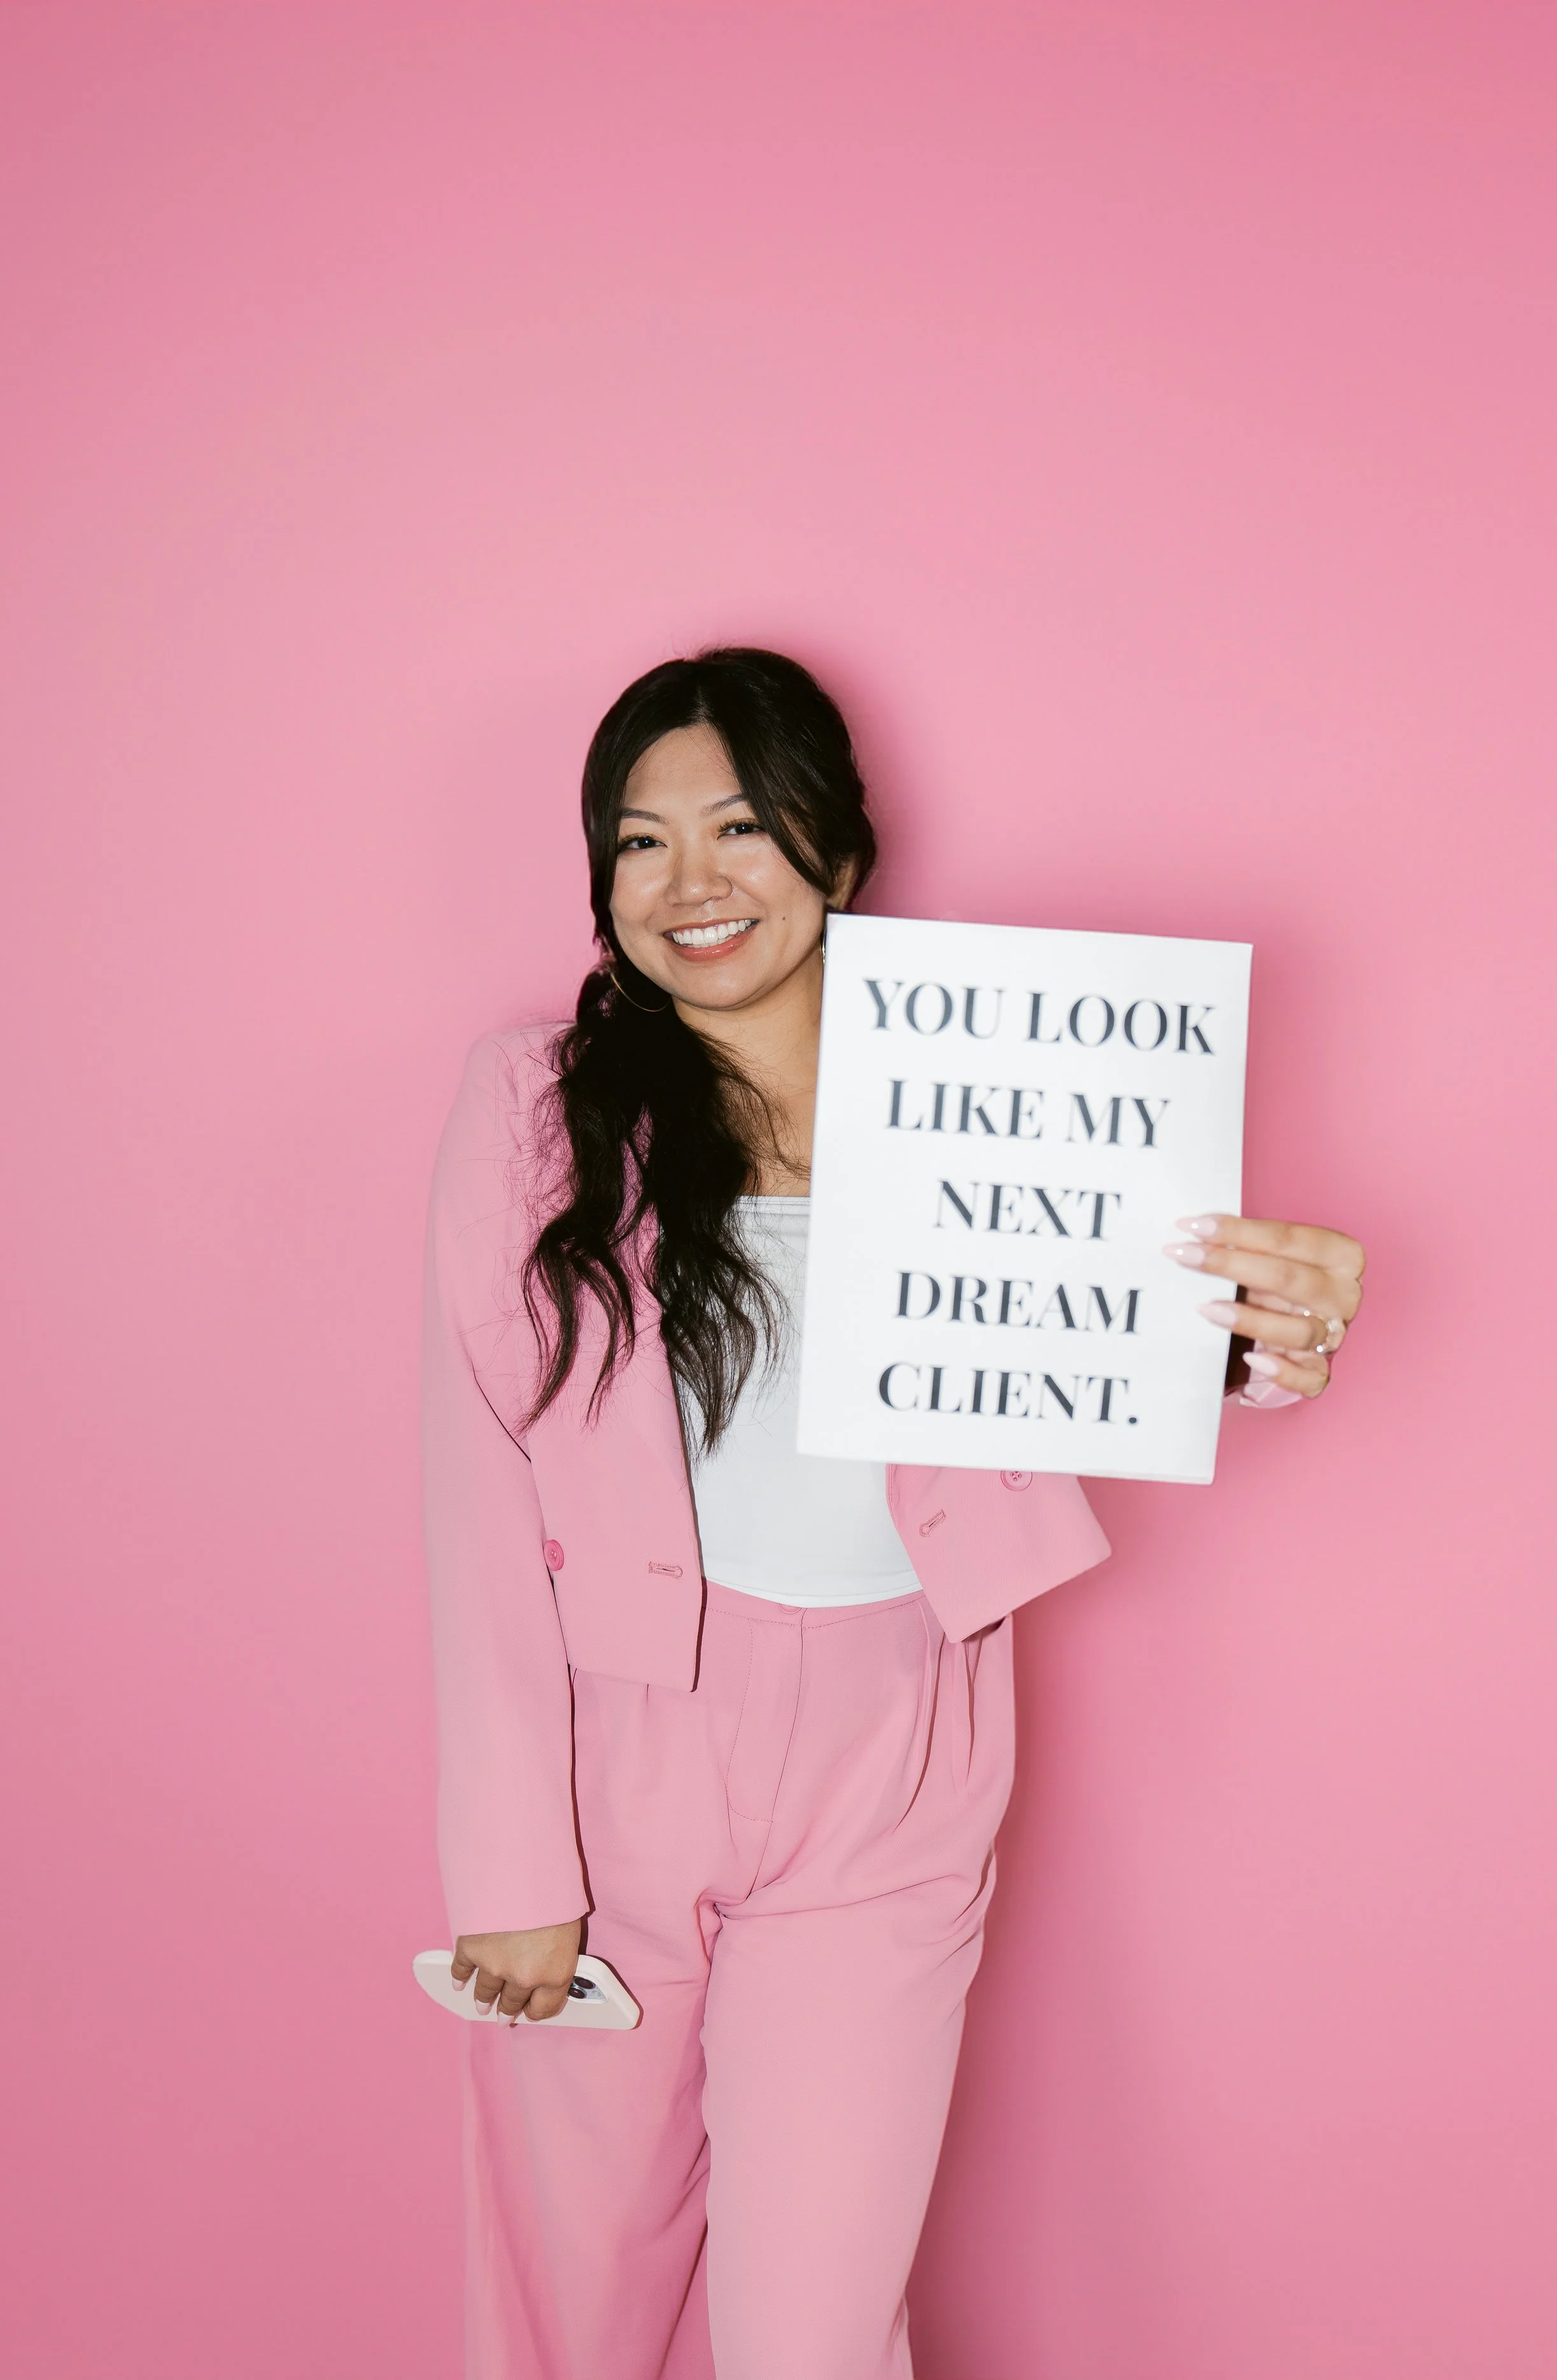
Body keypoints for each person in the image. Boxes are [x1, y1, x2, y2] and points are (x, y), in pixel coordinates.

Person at [421, 647, 1365, 2380]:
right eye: (639, 841)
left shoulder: (987, 1085)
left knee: (817, 2330)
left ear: (838, 853)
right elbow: (474, 1495)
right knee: (568, 2310)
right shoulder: (535, 1107)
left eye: (739, 825)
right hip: (611, 1753)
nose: (690, 882)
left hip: (896, 1754)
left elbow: (1137, 1335)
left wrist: (1265, 1338)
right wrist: (508, 1864)